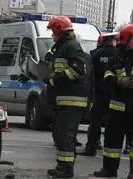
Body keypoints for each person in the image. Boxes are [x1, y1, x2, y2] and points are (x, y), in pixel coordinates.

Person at [44, 16, 89, 178]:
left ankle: (66, 169)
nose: (51, 36)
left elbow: (77, 71)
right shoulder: (63, 47)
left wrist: (54, 79)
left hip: (72, 100)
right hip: (64, 100)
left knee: (65, 135)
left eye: (53, 32)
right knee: (62, 135)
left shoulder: (71, 47)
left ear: (59, 30)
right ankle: (63, 166)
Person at [93, 24, 133, 178]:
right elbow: (107, 76)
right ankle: (109, 170)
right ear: (125, 39)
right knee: (111, 141)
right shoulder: (116, 57)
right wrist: (119, 82)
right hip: (117, 108)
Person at [78, 32, 118, 156]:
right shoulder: (118, 54)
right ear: (113, 40)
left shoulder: (95, 54)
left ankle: (92, 146)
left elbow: (90, 75)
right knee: (114, 122)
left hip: (99, 93)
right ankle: (112, 147)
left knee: (95, 121)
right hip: (115, 94)